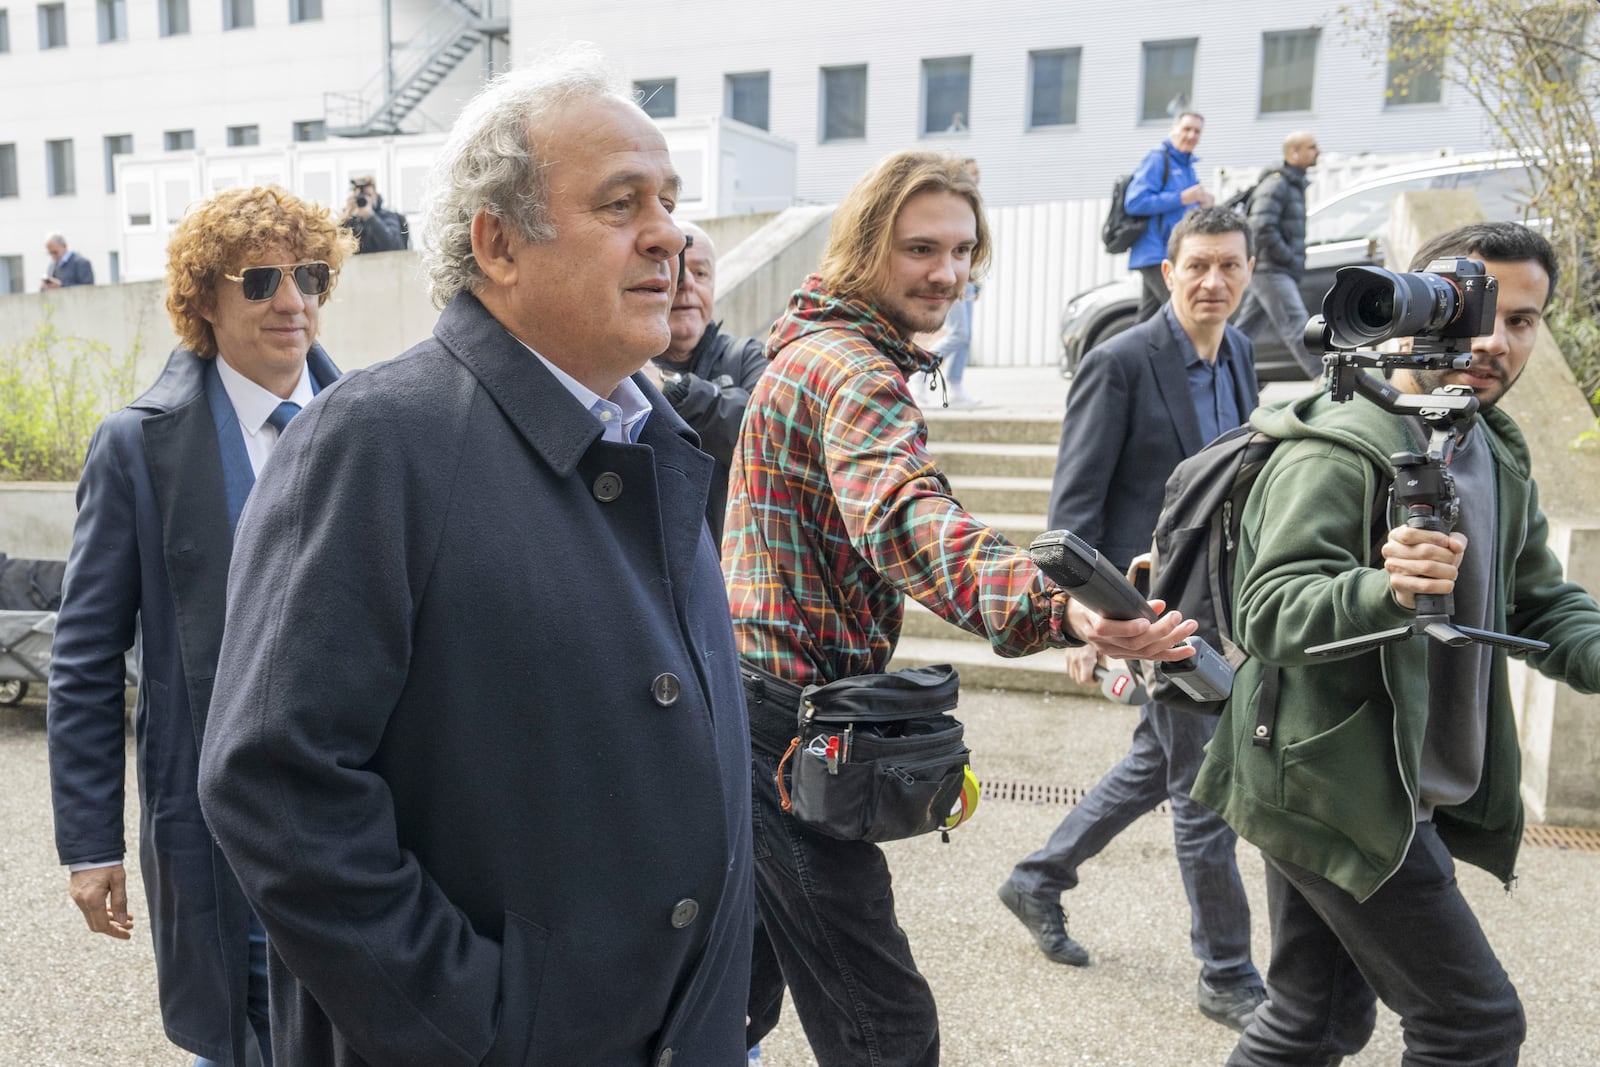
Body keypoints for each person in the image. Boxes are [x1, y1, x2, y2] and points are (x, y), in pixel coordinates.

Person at [196, 52, 753, 1066]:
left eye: (669, 200)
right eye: (621, 202)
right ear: (497, 244)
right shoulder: (375, 439)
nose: (667, 233)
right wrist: (479, 1021)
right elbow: (275, 782)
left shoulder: (655, 434)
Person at [725, 150, 1200, 1066]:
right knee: (887, 1032)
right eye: (920, 249)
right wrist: (1056, 606)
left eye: (961, 249)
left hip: (753, 707)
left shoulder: (811, 349)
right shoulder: (852, 371)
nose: (947, 272)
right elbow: (905, 516)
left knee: (734, 994)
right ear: (865, 248)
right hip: (784, 728)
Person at [1194, 221, 1600, 1065]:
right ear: (1414, 307)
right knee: (1473, 1024)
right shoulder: (1341, 446)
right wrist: (1387, 589)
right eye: (1471, 306)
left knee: (1313, 1020)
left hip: (1381, 779)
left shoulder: (1488, 443)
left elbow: (1535, 598)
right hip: (1331, 785)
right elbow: (1267, 611)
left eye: (1522, 320)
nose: (1494, 339)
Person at [46, 185, 352, 1067]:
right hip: (227, 843)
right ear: (203, 302)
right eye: (259, 280)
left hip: (368, 837)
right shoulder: (140, 447)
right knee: (242, 1040)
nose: (292, 301)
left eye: (310, 276)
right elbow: (85, 658)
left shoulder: (381, 423)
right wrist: (91, 841)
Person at [999, 206, 1265, 1031]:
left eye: (1229, 265)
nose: (1213, 281)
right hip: (1149, 614)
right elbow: (1070, 513)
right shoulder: (1120, 363)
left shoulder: (1242, 356)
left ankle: (1039, 877)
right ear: (1167, 271)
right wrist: (1080, 620)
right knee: (1200, 794)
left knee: (1157, 763)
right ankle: (1226, 972)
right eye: (1197, 266)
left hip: (1224, 609)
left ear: (1249, 271)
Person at [640, 220, 766, 542]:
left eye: (701, 274)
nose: (686, 286)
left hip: (733, 571)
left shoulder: (746, 357)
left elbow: (761, 432)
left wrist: (672, 388)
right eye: (676, 271)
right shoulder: (624, 366)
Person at [1234, 131, 1321, 379]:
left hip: (1273, 268)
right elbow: (1260, 227)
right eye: (1312, 147)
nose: (1318, 152)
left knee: (1244, 331)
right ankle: (1325, 381)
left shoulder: (1292, 183)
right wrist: (1288, 258)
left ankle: (1215, 369)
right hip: (1271, 269)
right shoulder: (1276, 184)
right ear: (1294, 153)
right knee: (1297, 325)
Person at [1126, 111, 1212, 323]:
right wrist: (1181, 197)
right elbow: (1135, 202)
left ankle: (1133, 356)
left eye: (1197, 131)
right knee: (1183, 313)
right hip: (1155, 251)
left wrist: (1203, 203)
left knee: (1150, 319)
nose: (1191, 135)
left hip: (1172, 252)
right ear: (1174, 129)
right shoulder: (1158, 159)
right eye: (1187, 129)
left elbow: (1183, 213)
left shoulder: (1187, 166)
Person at [340, 175, 405, 254]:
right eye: (359, 196)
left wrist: (370, 216)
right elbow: (336, 247)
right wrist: (346, 216)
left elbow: (394, 247)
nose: (363, 199)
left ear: (376, 195)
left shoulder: (388, 216)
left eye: (368, 195)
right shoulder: (351, 220)